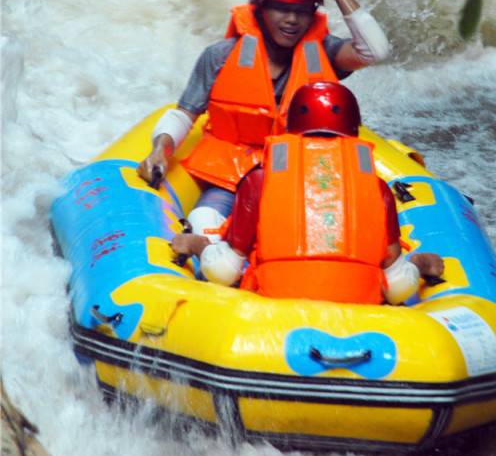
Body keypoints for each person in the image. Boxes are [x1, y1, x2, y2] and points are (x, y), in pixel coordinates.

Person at [137, 0, 391, 241]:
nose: (292, 20)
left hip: (302, 176)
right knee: (202, 223)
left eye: (302, 11)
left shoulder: (326, 51)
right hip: (233, 175)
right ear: (260, 8)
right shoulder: (220, 56)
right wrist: (160, 150)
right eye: (281, 9)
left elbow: (375, 51)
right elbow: (184, 114)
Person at [172, 82, 444, 305]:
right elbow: (397, 286)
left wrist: (196, 245)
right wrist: (418, 264)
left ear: (292, 129)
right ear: (352, 132)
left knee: (204, 218)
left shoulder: (260, 180)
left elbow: (223, 271)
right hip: (361, 314)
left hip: (273, 312)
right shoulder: (376, 188)